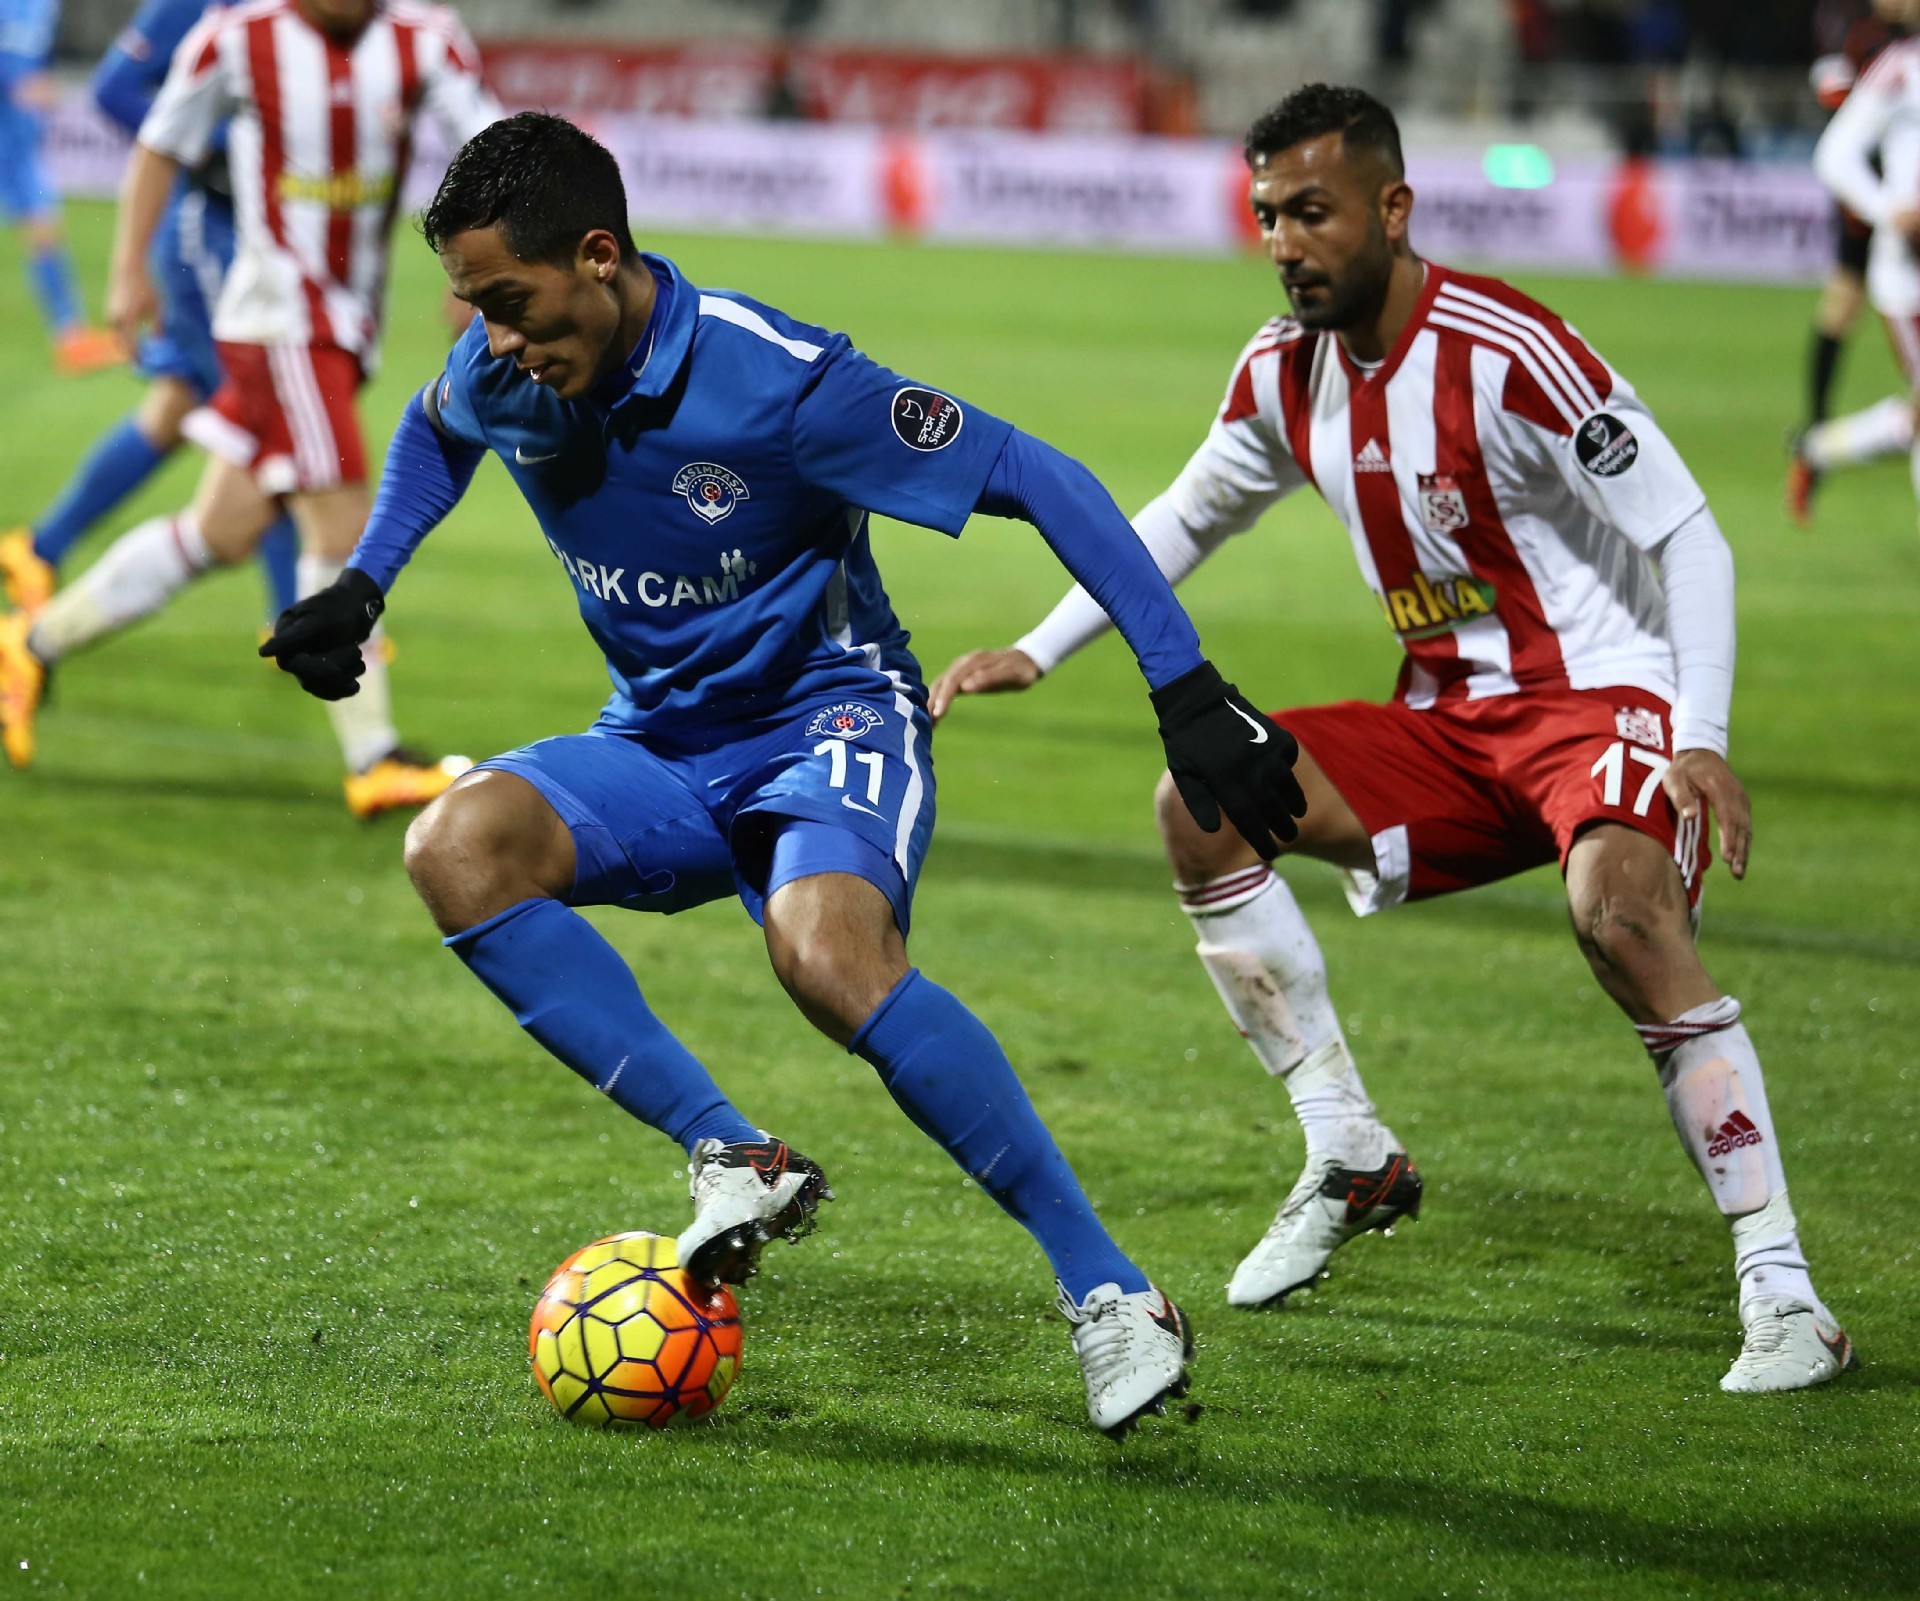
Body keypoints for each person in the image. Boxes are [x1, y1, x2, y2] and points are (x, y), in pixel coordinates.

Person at [261, 111, 1308, 1436]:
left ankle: (1111, 1292)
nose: (495, 341)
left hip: (831, 718)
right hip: (659, 741)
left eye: (510, 304)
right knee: (454, 846)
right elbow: (436, 425)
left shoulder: (783, 383)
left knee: (824, 952)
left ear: (598, 257)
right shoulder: (506, 364)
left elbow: (1036, 475)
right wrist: (365, 581)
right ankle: (735, 1154)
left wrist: (1183, 686)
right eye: (475, 309)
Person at [933, 83, 1854, 1395]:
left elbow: (1688, 534)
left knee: (1621, 914)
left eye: (1311, 211)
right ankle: (1347, 1147)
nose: (1285, 242)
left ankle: (1785, 1290)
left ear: (1394, 206)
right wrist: (1040, 643)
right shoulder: (1284, 369)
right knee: (1203, 803)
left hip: (1602, 700)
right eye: (1267, 215)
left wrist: (1698, 737)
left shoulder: (1509, 351)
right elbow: (1186, 515)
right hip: (1450, 722)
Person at [0, 0, 495, 818]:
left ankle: (30, 642)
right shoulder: (238, 36)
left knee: (218, 531)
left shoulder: (425, 38)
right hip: (281, 319)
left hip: (344, 323)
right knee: (341, 525)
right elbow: (159, 140)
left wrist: (483, 260)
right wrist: (128, 270)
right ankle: (372, 756)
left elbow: (489, 144)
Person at [0, 0, 299, 633]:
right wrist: (210, 147)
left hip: (246, 236)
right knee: (271, 420)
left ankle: (39, 548)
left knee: (174, 410)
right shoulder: (194, 5)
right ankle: (295, 617)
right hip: (200, 235)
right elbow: (114, 89)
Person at [1789, 0, 1916, 524]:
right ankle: (1817, 431)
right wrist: (1889, 210)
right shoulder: (1877, 45)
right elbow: (1835, 122)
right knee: (1841, 304)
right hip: (1900, 249)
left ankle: (1820, 447)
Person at [0, 0, 123, 374]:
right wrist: (15, 84)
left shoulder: (42, 6)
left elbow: (35, 59)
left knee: (44, 230)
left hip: (20, 139)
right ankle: (70, 334)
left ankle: (71, 337)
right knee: (42, 229)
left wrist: (39, 82)